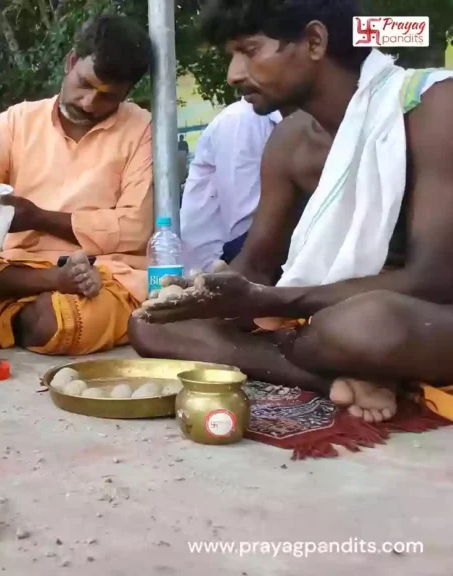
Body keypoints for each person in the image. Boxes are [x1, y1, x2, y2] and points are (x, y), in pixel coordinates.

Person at [129, 0, 453, 423]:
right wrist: (200, 292)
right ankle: (331, 380)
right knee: (149, 322)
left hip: (423, 315)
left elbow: (433, 281)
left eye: (249, 50)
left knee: (364, 325)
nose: (233, 74)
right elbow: (257, 265)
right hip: (324, 317)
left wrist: (269, 300)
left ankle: (330, 358)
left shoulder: (434, 108)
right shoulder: (289, 141)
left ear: (315, 42)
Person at [0, 13, 154, 356]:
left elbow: (135, 228)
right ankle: (29, 298)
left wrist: (39, 218)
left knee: (58, 322)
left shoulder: (142, 129)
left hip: (94, 275)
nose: (89, 103)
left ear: (127, 93)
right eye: (85, 84)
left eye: (107, 97)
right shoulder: (20, 120)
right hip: (14, 269)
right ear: (71, 62)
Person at [180, 99, 284, 272]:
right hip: (220, 264)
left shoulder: (288, 121)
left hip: (253, 256)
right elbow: (243, 228)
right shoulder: (243, 120)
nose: (235, 77)